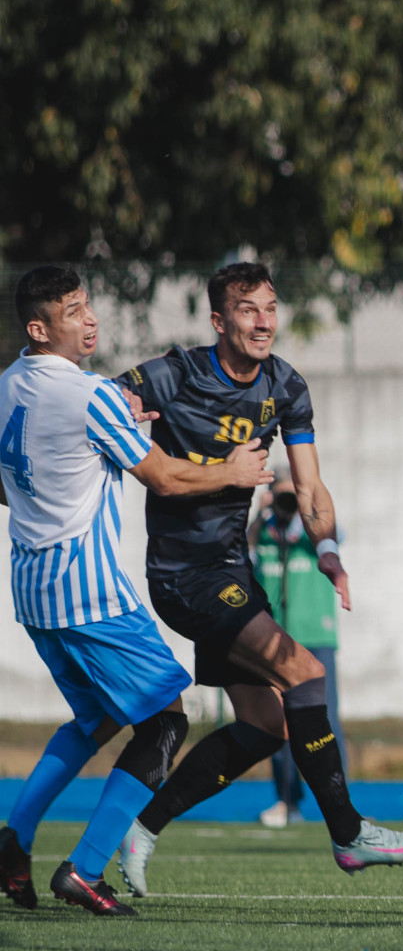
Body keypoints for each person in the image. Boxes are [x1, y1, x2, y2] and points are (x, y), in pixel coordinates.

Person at [113, 262, 403, 895]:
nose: (263, 321)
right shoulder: (175, 373)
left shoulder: (285, 386)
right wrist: (124, 413)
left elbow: (309, 488)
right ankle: (347, 833)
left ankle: (142, 827)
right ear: (219, 320)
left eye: (270, 308)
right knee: (306, 673)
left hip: (234, 574)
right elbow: (103, 414)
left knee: (265, 725)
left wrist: (329, 548)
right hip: (182, 577)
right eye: (248, 309)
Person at [0, 265, 272, 916]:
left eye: (87, 305)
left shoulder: (10, 383)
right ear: (40, 328)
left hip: (33, 587)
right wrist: (232, 471)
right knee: (166, 719)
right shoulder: (90, 395)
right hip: (87, 592)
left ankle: (12, 839)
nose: (89, 318)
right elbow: (167, 479)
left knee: (96, 721)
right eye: (72, 311)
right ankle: (86, 869)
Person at [249, 476, 346, 829]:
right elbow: (243, 550)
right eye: (281, 494)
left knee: (326, 721)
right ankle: (287, 800)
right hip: (274, 639)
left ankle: (338, 800)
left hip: (315, 637)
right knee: (278, 723)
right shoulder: (264, 530)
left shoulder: (307, 532)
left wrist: (302, 506)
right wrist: (260, 514)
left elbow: (335, 536)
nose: (285, 500)